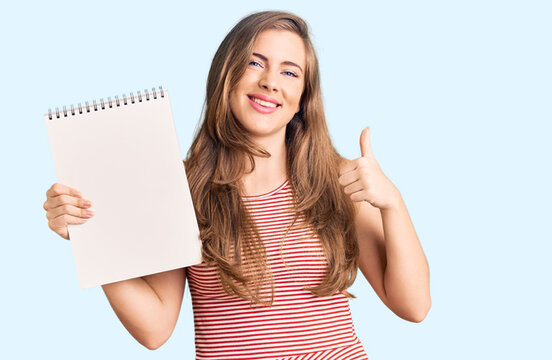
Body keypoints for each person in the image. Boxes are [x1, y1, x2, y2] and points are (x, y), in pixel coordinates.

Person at [41, 10, 430, 360]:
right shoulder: (184, 188)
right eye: (254, 63)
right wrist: (92, 238)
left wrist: (392, 204)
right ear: (225, 76)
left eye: (289, 72)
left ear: (302, 100)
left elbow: (413, 306)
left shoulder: (338, 179)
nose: (269, 82)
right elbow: (155, 328)